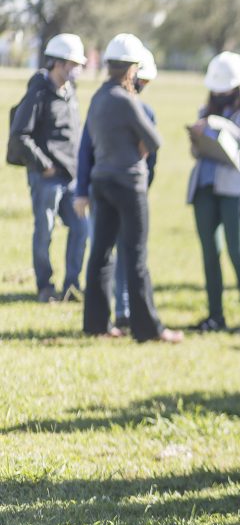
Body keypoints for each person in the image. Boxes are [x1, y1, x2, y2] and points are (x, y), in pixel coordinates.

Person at [76, 34, 182, 344]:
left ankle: (96, 325)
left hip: (101, 181)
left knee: (100, 254)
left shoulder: (98, 97)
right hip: (128, 184)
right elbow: (154, 140)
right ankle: (148, 329)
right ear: (132, 69)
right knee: (136, 256)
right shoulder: (126, 100)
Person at [187, 51, 240, 333]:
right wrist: (197, 136)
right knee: (210, 253)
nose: (219, 94)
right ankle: (215, 316)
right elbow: (196, 152)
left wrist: (219, 124)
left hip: (233, 189)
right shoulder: (204, 110)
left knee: (237, 253)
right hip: (204, 187)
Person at [10, 33, 89, 303]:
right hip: (47, 178)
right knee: (44, 232)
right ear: (58, 63)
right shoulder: (38, 93)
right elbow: (20, 134)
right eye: (73, 64)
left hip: (72, 176)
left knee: (81, 229)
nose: (77, 69)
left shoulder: (71, 92)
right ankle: (45, 286)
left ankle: (72, 286)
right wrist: (43, 165)